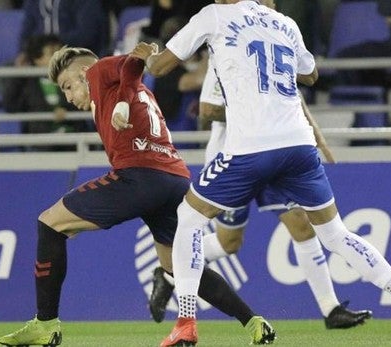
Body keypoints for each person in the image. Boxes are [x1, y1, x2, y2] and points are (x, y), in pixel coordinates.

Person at [135, 1, 391, 345]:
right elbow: (311, 74)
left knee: (188, 217)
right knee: (335, 234)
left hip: (249, 148)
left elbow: (161, 68)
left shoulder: (214, 16)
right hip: (298, 146)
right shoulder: (284, 23)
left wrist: (145, 54)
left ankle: (186, 322)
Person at [0, 46, 276, 347]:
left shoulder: (99, 71)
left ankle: (45, 324)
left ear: (82, 74)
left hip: (139, 177)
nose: (67, 96)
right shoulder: (130, 92)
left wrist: (121, 104)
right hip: (176, 180)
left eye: (67, 86)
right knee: (177, 266)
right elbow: (132, 73)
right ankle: (254, 323)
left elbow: (133, 62)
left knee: (49, 224)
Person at [148, 4, 371, 327]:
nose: (268, 9)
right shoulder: (225, 45)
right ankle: (168, 272)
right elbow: (209, 109)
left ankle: (330, 308)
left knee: (301, 224)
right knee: (229, 243)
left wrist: (314, 137)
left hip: (275, 153)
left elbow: (294, 98)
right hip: (234, 155)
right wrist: (253, 112)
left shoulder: (272, 41)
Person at [3, 34, 86, 151]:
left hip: (74, 142)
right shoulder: (28, 84)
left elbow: (85, 105)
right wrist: (18, 75)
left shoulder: (74, 80)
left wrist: (66, 113)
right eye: (52, 54)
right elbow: (10, 105)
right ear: (37, 59)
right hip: (41, 144)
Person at [19, 0, 110, 57]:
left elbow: (87, 34)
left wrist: (54, 46)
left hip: (75, 54)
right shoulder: (33, 2)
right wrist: (25, 52)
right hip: (39, 56)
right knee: (14, 70)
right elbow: (26, 32)